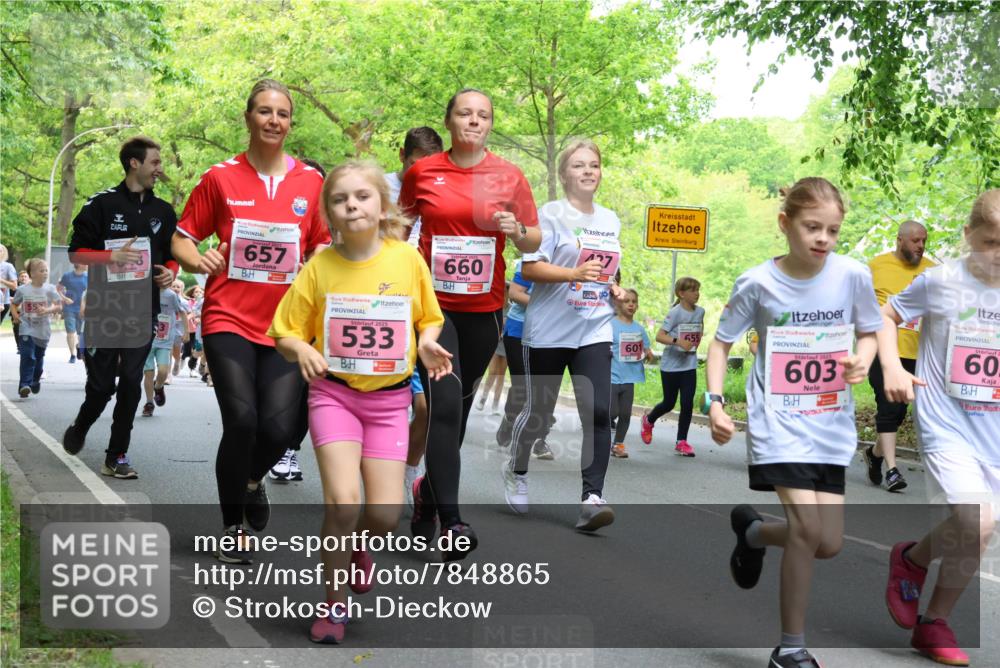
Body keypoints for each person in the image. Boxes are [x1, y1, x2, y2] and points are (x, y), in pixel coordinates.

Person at [269, 161, 451, 643]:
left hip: (391, 403)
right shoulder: (320, 267)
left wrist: (428, 343)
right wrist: (303, 348)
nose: (352, 204)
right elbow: (285, 329)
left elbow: (428, 317)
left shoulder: (407, 260)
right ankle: (333, 606)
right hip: (335, 397)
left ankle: (357, 550)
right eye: (339, 199)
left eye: (362, 196)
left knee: (384, 516)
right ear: (329, 212)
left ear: (382, 205)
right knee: (343, 503)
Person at [705, 177, 882, 668]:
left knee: (828, 543)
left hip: (829, 421)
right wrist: (715, 402)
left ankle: (754, 534)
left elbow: (870, 330)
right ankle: (790, 648)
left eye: (833, 230)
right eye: (812, 227)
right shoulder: (758, 282)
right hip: (778, 423)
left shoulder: (851, 275)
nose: (823, 238)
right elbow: (721, 343)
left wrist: (863, 359)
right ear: (785, 224)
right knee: (806, 530)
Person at [171, 79, 330, 562]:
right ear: (248, 117)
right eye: (264, 111)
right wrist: (200, 261)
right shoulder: (219, 178)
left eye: (282, 114)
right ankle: (231, 525)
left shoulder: (310, 182)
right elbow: (181, 239)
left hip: (286, 325)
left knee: (280, 430)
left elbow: (323, 243)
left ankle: (253, 478)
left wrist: (314, 264)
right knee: (241, 420)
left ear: (290, 123)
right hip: (228, 316)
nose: (274, 121)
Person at [399, 88, 541, 558]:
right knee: (441, 406)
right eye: (465, 113)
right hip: (434, 310)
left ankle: (426, 494)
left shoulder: (508, 175)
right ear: (450, 120)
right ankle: (453, 521)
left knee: (455, 408)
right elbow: (397, 229)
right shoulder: (423, 172)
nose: (474, 121)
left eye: (483, 115)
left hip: (484, 312)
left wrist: (516, 231)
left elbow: (531, 237)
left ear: (490, 124)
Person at [877, 189, 1000, 666]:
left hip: (993, 427)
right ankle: (937, 621)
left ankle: (918, 581)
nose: (997, 256)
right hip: (947, 421)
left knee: (980, 530)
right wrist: (892, 365)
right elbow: (887, 316)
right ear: (968, 235)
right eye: (990, 243)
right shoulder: (941, 281)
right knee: (978, 519)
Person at [503, 138, 625, 531]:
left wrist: (615, 289)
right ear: (563, 174)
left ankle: (592, 498)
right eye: (578, 166)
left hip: (593, 326)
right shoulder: (550, 216)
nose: (588, 171)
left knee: (600, 411)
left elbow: (604, 271)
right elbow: (532, 271)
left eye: (594, 165)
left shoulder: (610, 219)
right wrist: (572, 273)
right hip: (549, 330)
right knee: (539, 415)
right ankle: (517, 468)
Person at [62, 135, 179, 479]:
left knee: (130, 382)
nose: (160, 169)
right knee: (101, 388)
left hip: (143, 310)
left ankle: (116, 455)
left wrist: (169, 276)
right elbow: (76, 253)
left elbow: (172, 259)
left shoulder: (164, 212)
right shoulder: (100, 204)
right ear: (134, 163)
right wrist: (110, 256)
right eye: (155, 162)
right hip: (104, 309)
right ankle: (82, 426)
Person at [384, 130, 443, 505]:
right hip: (383, 305)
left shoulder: (440, 190)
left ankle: (409, 472)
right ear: (402, 155)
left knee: (425, 406)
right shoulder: (380, 188)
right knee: (384, 404)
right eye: (415, 162)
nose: (422, 171)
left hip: (423, 306)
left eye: (429, 164)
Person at [863, 220, 935, 492]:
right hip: (883, 351)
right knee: (889, 406)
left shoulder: (932, 272)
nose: (921, 246)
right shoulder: (876, 267)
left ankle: (874, 454)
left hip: (918, 353)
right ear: (900, 240)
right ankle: (893, 470)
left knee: (900, 411)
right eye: (916, 240)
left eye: (924, 240)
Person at [495, 260, 556, 458]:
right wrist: (546, 307)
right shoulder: (530, 262)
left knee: (547, 386)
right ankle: (510, 418)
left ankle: (540, 439)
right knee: (522, 386)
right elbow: (514, 293)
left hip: (550, 333)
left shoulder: (566, 267)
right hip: (519, 330)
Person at [641, 277, 705, 457]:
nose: (697, 293)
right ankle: (649, 419)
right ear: (681, 294)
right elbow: (660, 336)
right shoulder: (675, 312)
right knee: (669, 403)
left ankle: (681, 441)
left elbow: (699, 330)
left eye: (698, 290)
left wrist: (696, 339)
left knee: (687, 403)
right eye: (693, 290)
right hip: (671, 365)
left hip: (689, 364)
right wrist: (678, 341)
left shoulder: (700, 311)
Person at [11, 258, 64, 397]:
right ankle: (24, 385)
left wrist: (47, 310)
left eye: (46, 270)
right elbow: (14, 304)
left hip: (43, 330)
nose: (45, 273)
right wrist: (15, 315)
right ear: (32, 274)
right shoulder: (23, 290)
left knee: (38, 358)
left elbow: (59, 305)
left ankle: (34, 380)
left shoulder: (50, 289)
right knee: (27, 355)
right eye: (42, 270)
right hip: (26, 327)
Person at [610, 288, 653, 458]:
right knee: (612, 412)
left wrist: (648, 355)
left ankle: (618, 444)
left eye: (634, 302)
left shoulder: (639, 329)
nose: (630, 304)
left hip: (630, 377)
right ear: (618, 303)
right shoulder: (610, 325)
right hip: (612, 375)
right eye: (627, 301)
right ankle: (600, 437)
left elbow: (647, 350)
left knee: (625, 414)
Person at [141, 283, 190, 416]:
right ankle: (149, 403)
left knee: (163, 371)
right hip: (148, 339)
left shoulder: (171, 295)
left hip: (165, 339)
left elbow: (182, 312)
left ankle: (158, 387)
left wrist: (186, 331)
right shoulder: (146, 291)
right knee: (148, 373)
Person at [57, 263, 88, 363]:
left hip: (83, 309)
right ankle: (72, 355)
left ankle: (79, 348)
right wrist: (64, 298)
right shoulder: (67, 276)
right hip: (69, 308)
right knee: (70, 332)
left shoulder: (88, 276)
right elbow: (58, 289)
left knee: (81, 333)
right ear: (79, 264)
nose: (87, 264)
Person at [0, 244, 17, 325]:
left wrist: (1, 280)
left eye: (0, 250)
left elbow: (14, 286)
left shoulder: (8, 266)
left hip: (2, 302)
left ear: (4, 253)